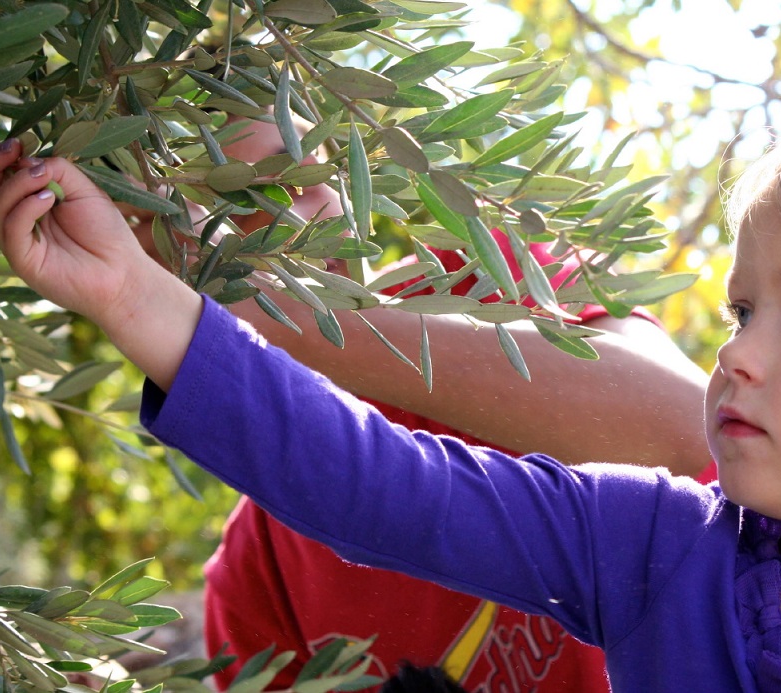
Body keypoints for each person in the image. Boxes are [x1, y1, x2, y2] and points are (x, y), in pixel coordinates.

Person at [0, 80, 781, 690]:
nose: (737, 357)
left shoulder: (482, 281)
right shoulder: (654, 551)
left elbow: (667, 418)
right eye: (738, 313)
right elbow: (379, 487)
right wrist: (141, 302)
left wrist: (279, 320)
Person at [141, 117, 712, 690]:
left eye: (319, 164)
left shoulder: (484, 274)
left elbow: (690, 428)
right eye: (247, 196)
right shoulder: (259, 575)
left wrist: (269, 319)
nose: (311, 199)